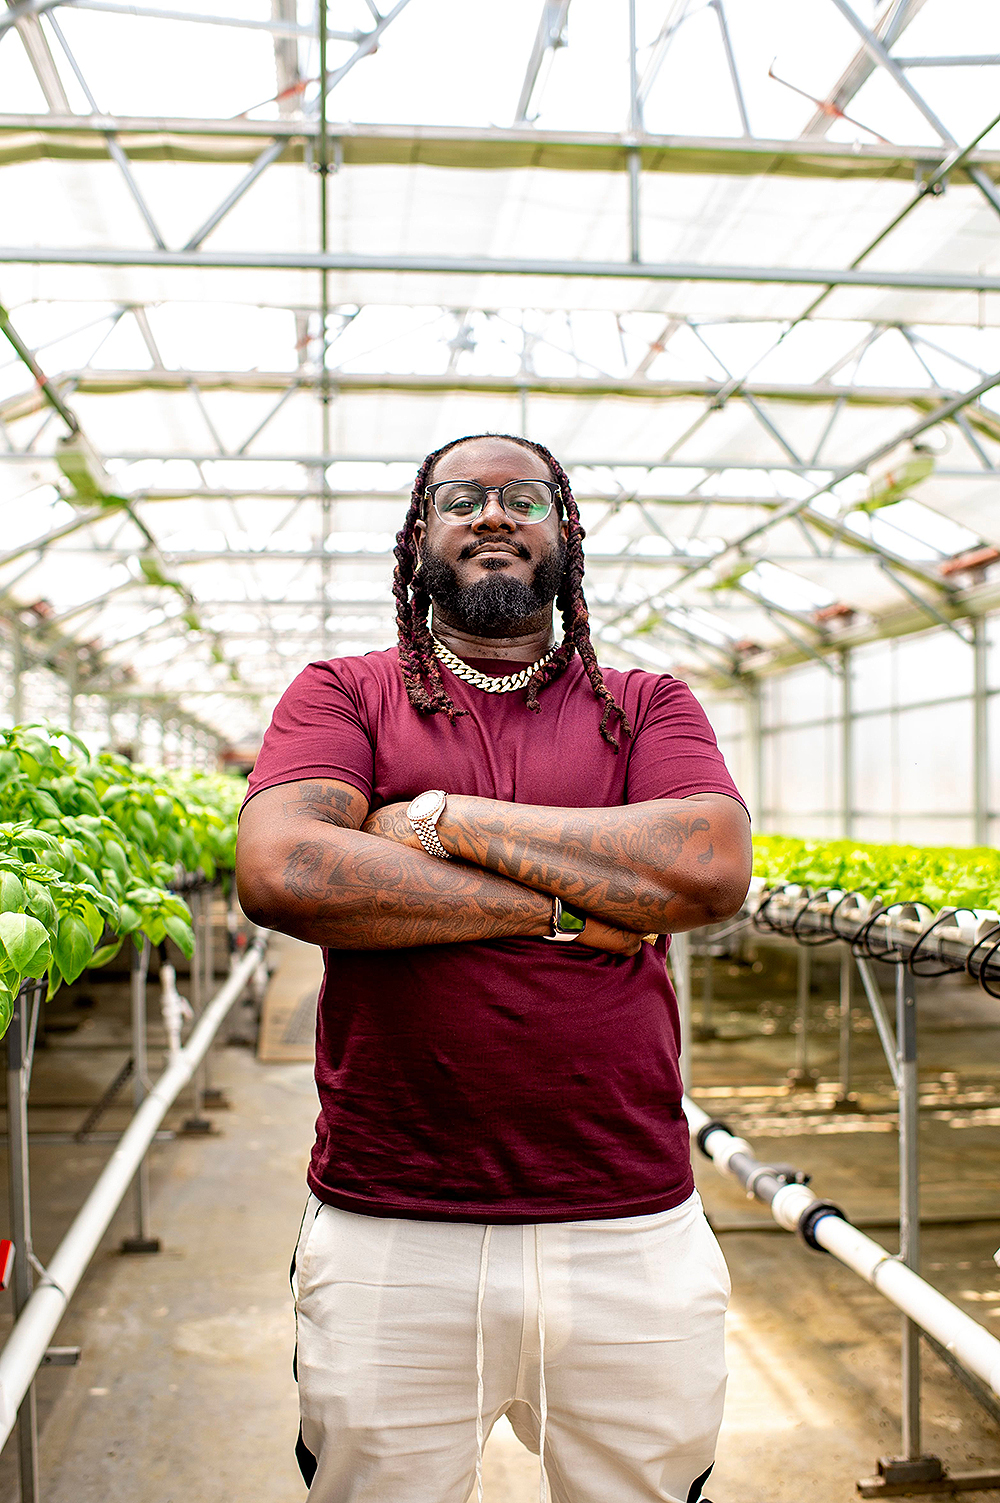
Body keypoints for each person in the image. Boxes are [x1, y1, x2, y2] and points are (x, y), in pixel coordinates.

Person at [235, 432, 752, 1503]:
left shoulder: (646, 705)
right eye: (460, 496)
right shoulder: (344, 693)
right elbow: (288, 871)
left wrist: (434, 819)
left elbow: (703, 866)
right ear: (419, 533)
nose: (491, 514)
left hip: (626, 1221)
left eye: (523, 496)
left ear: (563, 531)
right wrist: (575, 906)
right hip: (393, 1225)